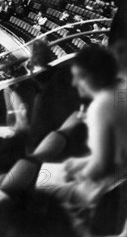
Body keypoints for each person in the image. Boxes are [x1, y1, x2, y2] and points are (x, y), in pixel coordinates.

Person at [42, 45, 127, 228]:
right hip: (118, 178)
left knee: (39, 196)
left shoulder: (101, 106)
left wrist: (77, 172)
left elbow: (100, 167)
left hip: (109, 191)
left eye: (79, 77)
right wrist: (79, 163)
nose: (74, 83)